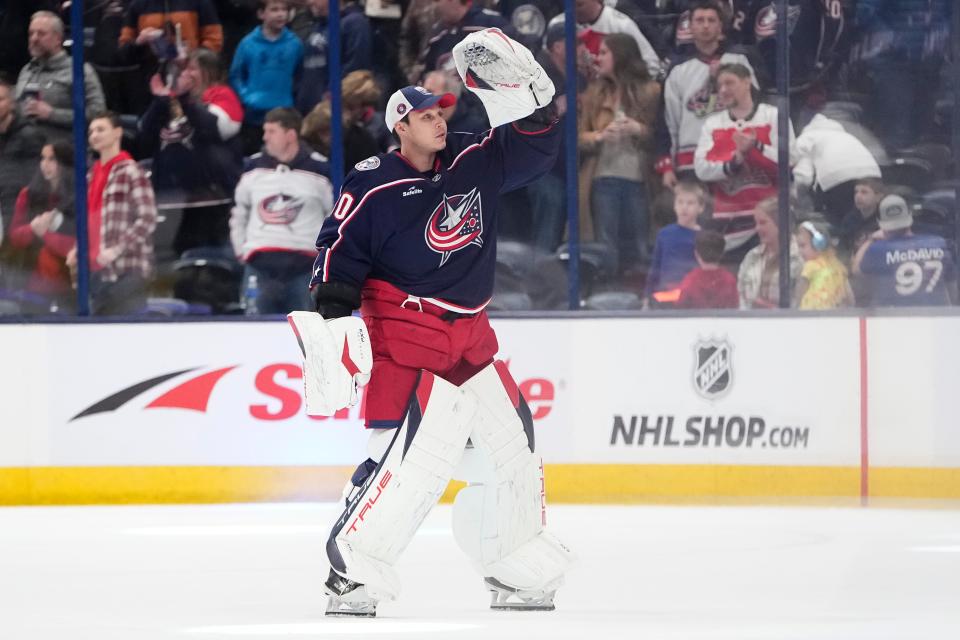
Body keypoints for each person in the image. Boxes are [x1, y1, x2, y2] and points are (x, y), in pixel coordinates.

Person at [297, 28, 571, 617]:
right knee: (410, 460)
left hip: (471, 334)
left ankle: (514, 561)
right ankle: (354, 571)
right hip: (406, 333)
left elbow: (535, 149)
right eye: (425, 116)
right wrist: (334, 310)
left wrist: (533, 104)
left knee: (511, 448)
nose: (439, 121)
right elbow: (337, 250)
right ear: (401, 126)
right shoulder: (373, 183)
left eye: (441, 111)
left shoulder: (474, 157)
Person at [230, 108, 332, 314]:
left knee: (305, 337)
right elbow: (239, 213)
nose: (264, 137)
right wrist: (243, 252)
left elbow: (334, 218)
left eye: (271, 131)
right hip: (259, 267)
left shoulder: (321, 170)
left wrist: (323, 260)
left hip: (305, 270)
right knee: (253, 335)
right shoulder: (252, 167)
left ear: (290, 135)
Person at [578, 33, 660, 276]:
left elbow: (662, 137)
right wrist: (600, 137)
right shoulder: (594, 93)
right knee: (606, 243)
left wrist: (639, 129)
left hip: (639, 178)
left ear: (621, 55)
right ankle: (607, 290)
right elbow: (579, 137)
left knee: (641, 242)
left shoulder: (651, 91)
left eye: (604, 53)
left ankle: (644, 294)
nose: (598, 57)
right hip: (603, 177)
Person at [654, 0, 759, 190]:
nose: (705, 26)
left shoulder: (740, 60)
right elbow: (667, 122)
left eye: (711, 20)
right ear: (690, 26)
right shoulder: (678, 69)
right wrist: (667, 165)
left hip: (735, 156)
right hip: (691, 160)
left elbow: (756, 108)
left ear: (721, 26)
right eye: (700, 20)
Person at [694, 62, 794, 261]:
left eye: (729, 83)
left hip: (770, 220)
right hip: (729, 225)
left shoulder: (773, 116)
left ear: (747, 82)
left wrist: (756, 146)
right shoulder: (713, 124)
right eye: (719, 85)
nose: (723, 90)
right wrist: (736, 159)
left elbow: (788, 161)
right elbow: (702, 169)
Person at [67, 112, 157, 315]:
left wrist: (117, 249)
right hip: (96, 271)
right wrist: (77, 247)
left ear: (117, 133)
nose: (94, 135)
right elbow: (88, 218)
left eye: (100, 129)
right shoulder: (90, 175)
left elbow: (148, 218)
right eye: (91, 131)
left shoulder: (131, 172)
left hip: (126, 270)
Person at [15, 11, 106, 145]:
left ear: (58, 39)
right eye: (31, 33)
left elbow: (98, 114)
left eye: (41, 33)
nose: (34, 38)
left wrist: (52, 114)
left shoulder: (80, 70)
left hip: (63, 153)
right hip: (22, 149)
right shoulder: (26, 70)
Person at [6, 142, 76, 310]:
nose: (45, 164)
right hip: (33, 283)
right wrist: (33, 229)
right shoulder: (28, 194)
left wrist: (45, 233)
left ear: (65, 163)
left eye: (52, 159)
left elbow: (78, 241)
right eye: (43, 158)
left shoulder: (80, 195)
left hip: (69, 283)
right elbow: (14, 236)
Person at [852, 194, 956, 308]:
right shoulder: (939, 244)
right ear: (910, 216)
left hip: (895, 319)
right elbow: (952, 289)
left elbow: (856, 270)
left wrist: (871, 239)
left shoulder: (877, 250)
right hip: (938, 318)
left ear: (881, 224)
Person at [230, 0, 304, 155]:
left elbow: (300, 76)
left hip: (284, 114)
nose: (280, 14)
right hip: (254, 117)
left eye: (284, 9)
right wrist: (247, 97)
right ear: (261, 13)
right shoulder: (247, 43)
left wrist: (290, 99)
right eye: (274, 9)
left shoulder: (295, 44)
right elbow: (236, 76)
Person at [792, 114, 881, 227]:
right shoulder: (847, 136)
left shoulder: (807, 137)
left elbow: (803, 177)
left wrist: (798, 199)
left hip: (836, 179)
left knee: (837, 221)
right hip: (872, 173)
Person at [546, 0, 661, 79]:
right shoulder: (559, 24)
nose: (574, 10)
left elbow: (652, 65)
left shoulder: (621, 25)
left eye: (580, 5)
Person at [297, 0, 373, 115]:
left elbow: (355, 68)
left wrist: (332, 97)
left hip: (334, 111)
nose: (309, 2)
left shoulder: (354, 23)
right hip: (309, 110)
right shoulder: (318, 26)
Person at [644, 180, 705, 306]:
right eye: (680, 202)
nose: (684, 207)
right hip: (664, 296)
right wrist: (646, 297)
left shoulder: (704, 237)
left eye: (690, 203)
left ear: (701, 208)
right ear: (674, 205)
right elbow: (655, 268)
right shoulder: (664, 234)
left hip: (692, 299)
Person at [0, 79, 45, 244]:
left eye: (0, 99)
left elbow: (36, 181)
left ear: (12, 104)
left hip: (17, 209)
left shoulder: (29, 135)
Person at [737, 197, 802, 309]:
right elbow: (741, 294)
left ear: (780, 223)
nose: (757, 228)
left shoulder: (801, 257)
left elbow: (803, 303)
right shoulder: (752, 256)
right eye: (756, 223)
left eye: (763, 223)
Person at [793, 220, 853, 310]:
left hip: (809, 314)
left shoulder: (810, 266)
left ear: (818, 243)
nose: (799, 251)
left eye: (802, 246)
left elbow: (799, 294)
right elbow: (850, 299)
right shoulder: (839, 266)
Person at [676, 228, 738, 309]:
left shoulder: (690, 280)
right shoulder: (729, 280)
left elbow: (681, 306)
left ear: (696, 254)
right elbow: (734, 307)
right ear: (722, 253)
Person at [837, 177, 884, 258]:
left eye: (864, 192)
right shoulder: (849, 220)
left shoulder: (884, 219)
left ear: (878, 197)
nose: (858, 196)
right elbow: (843, 248)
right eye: (856, 192)